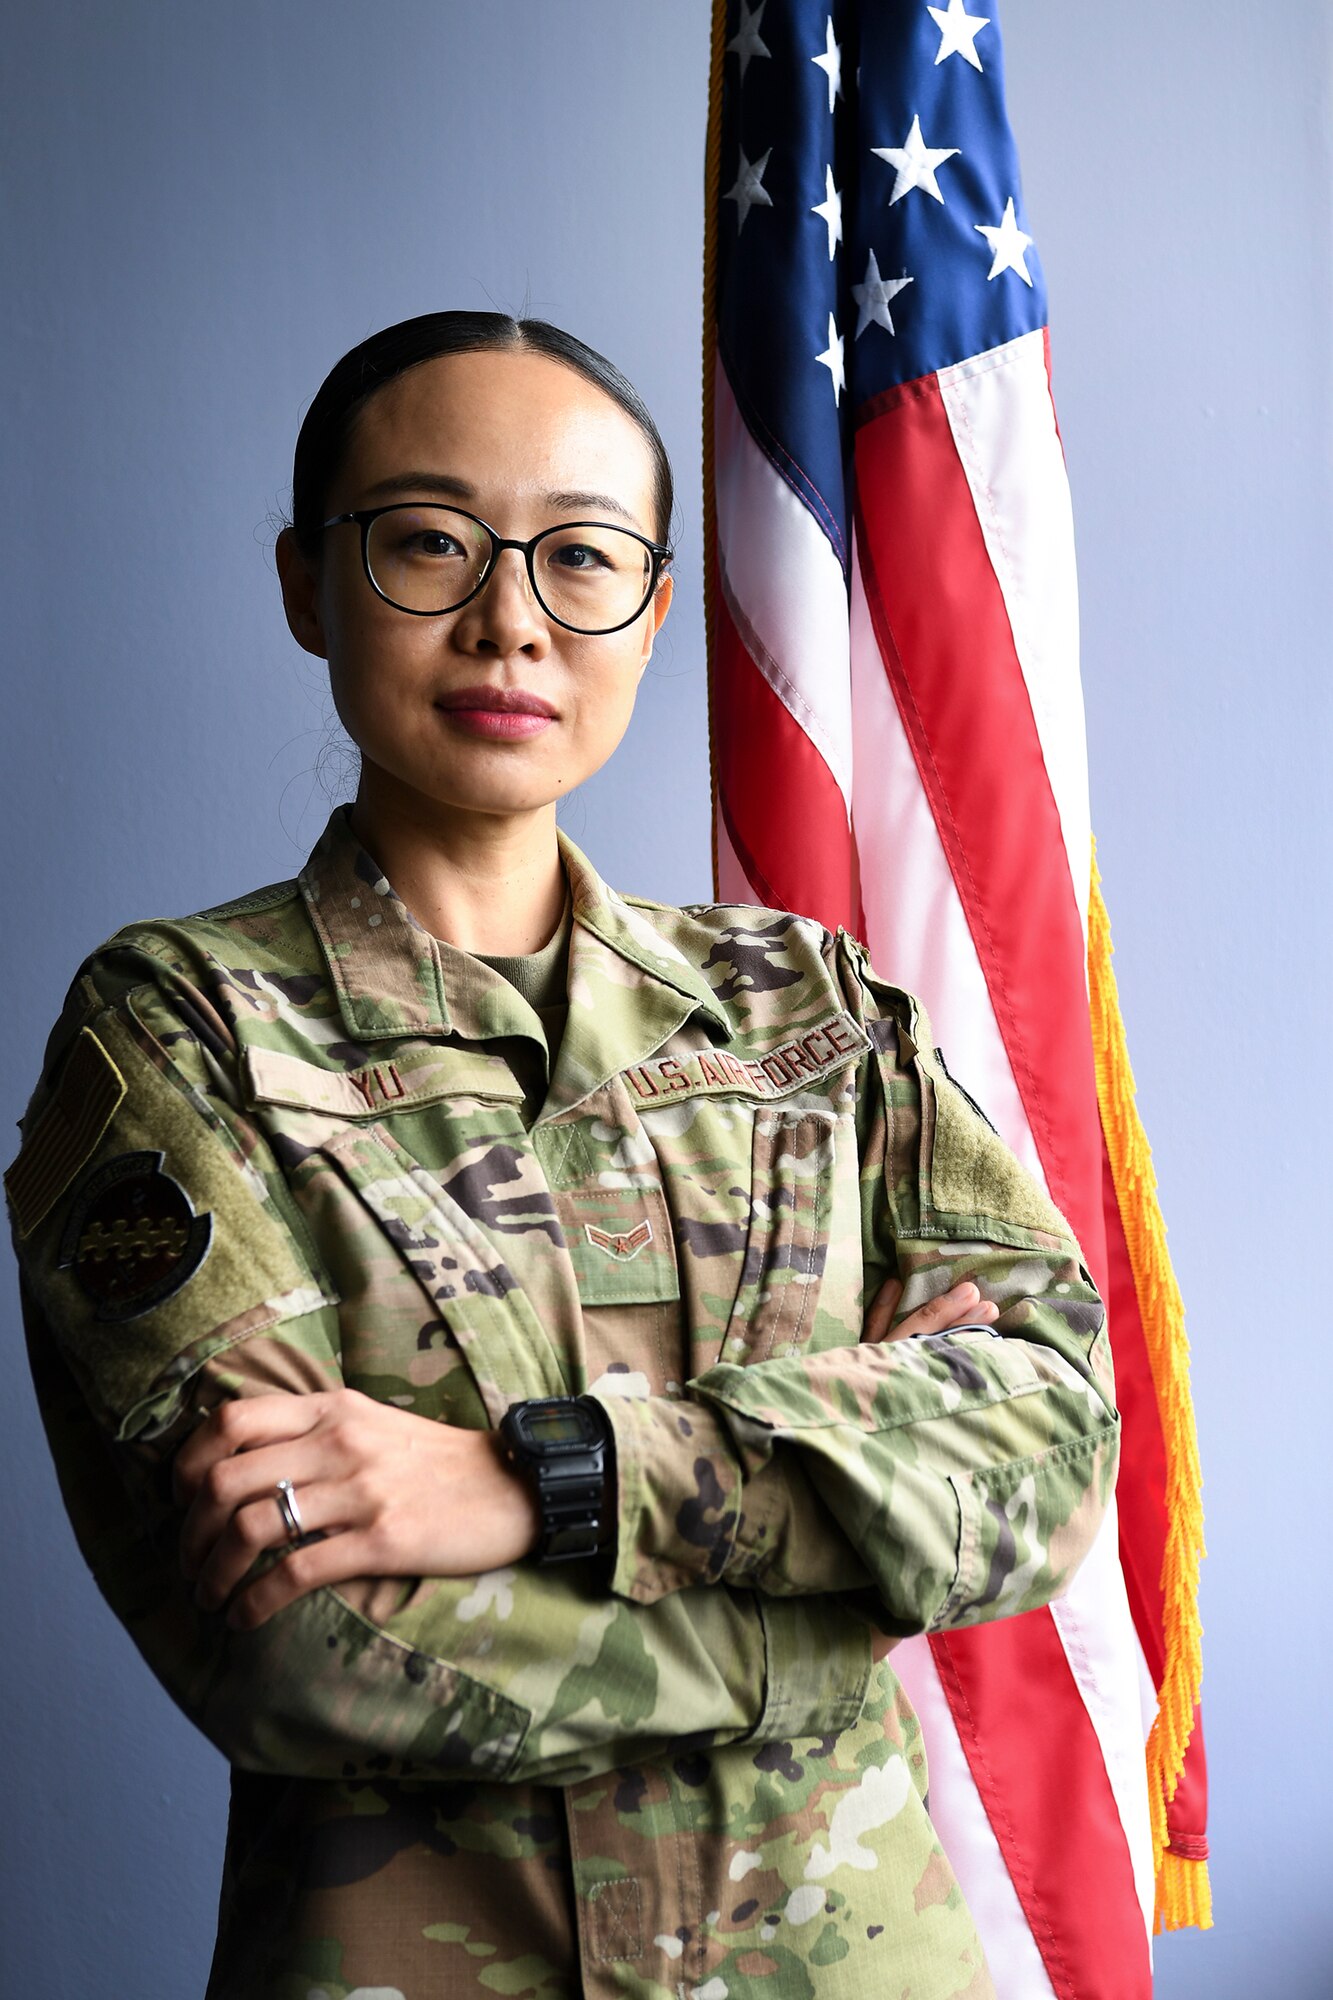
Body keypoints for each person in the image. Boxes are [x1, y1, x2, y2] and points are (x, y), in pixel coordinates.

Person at [6, 311, 1120, 2000]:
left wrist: (540, 1482)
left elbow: (1051, 1450)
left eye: (582, 557)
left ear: (656, 612)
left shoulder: (803, 1006)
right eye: (431, 542)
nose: (510, 619)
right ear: (311, 582)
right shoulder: (180, 1031)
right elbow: (312, 1647)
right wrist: (843, 1604)